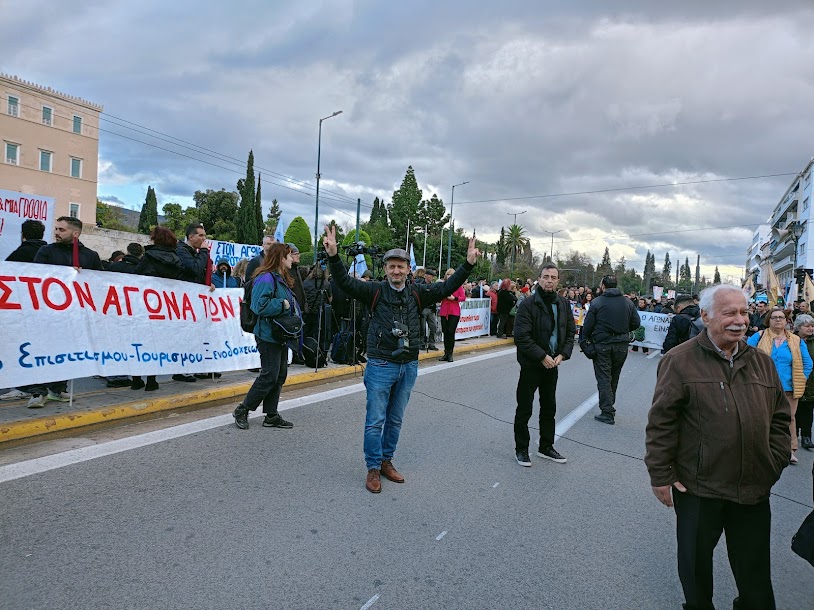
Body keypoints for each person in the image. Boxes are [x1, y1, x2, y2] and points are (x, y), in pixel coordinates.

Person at [645, 284, 790, 610]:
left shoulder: (762, 363)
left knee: (755, 579)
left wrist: (774, 461)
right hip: (698, 488)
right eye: (730, 313)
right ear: (706, 316)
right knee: (695, 567)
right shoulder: (679, 361)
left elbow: (781, 420)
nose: (740, 320)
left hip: (752, 487)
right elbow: (661, 423)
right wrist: (661, 474)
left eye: (743, 312)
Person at [322, 224, 478, 493]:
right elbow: (345, 283)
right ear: (385, 269)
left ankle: (386, 461)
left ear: (408, 269)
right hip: (381, 364)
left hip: (409, 365)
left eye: (401, 266)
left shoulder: (418, 292)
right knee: (375, 420)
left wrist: (468, 264)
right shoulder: (374, 291)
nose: (396, 270)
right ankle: (372, 467)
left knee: (395, 420)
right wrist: (334, 256)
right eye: (392, 266)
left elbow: (447, 287)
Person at [25, 216, 104, 407]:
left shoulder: (90, 255)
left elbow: (99, 282)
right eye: (56, 229)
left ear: (75, 233)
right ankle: (37, 392)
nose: (57, 233)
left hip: (74, 314)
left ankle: (57, 389)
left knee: (66, 352)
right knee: (43, 350)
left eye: (62, 230)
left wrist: (85, 276)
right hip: (48, 313)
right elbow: (35, 276)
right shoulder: (46, 251)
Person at [232, 243, 300, 431]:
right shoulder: (265, 278)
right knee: (269, 374)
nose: (292, 259)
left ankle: (271, 415)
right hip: (267, 334)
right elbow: (258, 306)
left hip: (279, 333)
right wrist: (282, 304)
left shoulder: (280, 278)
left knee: (279, 375)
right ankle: (242, 409)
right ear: (280, 258)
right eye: (288, 256)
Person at [512, 264, 575, 466]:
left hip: (553, 365)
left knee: (549, 408)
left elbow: (570, 332)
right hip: (532, 365)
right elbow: (521, 336)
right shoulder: (528, 304)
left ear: (558, 281)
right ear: (539, 279)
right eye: (546, 276)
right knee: (525, 409)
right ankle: (521, 449)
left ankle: (546, 447)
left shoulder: (563, 304)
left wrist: (563, 354)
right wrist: (542, 356)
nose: (549, 280)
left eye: (553, 277)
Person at [747, 306, 812, 464]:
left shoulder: (796, 340)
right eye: (774, 317)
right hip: (763, 386)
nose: (778, 320)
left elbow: (807, 363)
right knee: (762, 418)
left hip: (789, 388)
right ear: (768, 320)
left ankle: (789, 450)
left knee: (788, 419)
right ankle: (761, 449)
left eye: (781, 317)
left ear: (786, 321)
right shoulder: (759, 337)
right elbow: (745, 357)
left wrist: (800, 379)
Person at [130, 227, 189, 392]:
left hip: (146, 307)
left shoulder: (148, 257)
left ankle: (136, 379)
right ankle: (151, 380)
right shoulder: (177, 260)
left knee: (140, 343)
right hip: (166, 310)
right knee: (156, 344)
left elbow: (136, 277)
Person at [579, 275, 640, 425]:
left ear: (603, 285)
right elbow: (636, 322)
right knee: (614, 376)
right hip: (621, 345)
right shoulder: (627, 302)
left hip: (603, 344)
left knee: (604, 377)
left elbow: (588, 325)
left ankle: (607, 411)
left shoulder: (597, 302)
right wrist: (623, 330)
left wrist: (585, 341)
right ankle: (608, 405)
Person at [794, 313, 814, 451]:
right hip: (794, 378)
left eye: (812, 326)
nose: (811, 328)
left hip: (811, 380)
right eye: (807, 326)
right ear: (798, 327)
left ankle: (806, 436)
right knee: (793, 409)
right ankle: (793, 436)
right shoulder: (791, 339)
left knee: (807, 408)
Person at [438, 268, 466, 362]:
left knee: (451, 332)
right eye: (448, 275)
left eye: (451, 275)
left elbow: (463, 298)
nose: (449, 277)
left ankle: (450, 353)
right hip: (444, 310)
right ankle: (446, 352)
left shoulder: (458, 286)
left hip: (454, 312)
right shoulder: (443, 285)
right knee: (445, 332)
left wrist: (454, 298)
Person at [419, 268, 440, 351]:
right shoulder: (420, 285)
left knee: (434, 326)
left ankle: (431, 343)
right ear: (426, 276)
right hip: (423, 308)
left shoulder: (433, 285)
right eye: (431, 276)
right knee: (422, 327)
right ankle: (422, 343)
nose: (432, 278)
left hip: (431, 309)